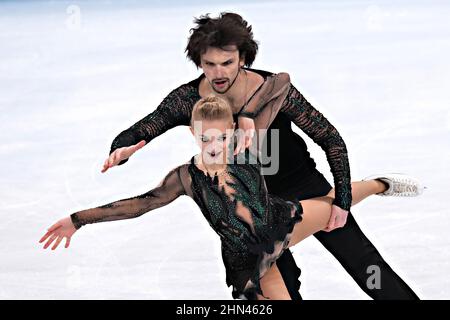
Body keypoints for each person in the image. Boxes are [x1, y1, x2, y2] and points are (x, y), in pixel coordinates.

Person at [98, 12, 421, 300]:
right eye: (209, 64)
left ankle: (378, 184)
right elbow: (143, 128)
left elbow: (330, 139)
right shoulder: (188, 99)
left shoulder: (272, 90)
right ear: (199, 62)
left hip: (301, 182)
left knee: (365, 265)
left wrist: (343, 200)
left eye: (226, 62)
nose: (218, 72)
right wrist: (123, 149)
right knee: (279, 284)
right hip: (254, 202)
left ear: (243, 58)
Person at [39, 94, 423, 300]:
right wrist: (77, 219)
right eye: (205, 138)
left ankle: (379, 183)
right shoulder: (184, 177)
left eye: (222, 137)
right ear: (193, 134)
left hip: (278, 223)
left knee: (333, 205)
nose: (214, 145)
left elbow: (277, 85)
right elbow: (143, 204)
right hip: (246, 257)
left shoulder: (245, 153)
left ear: (234, 135)